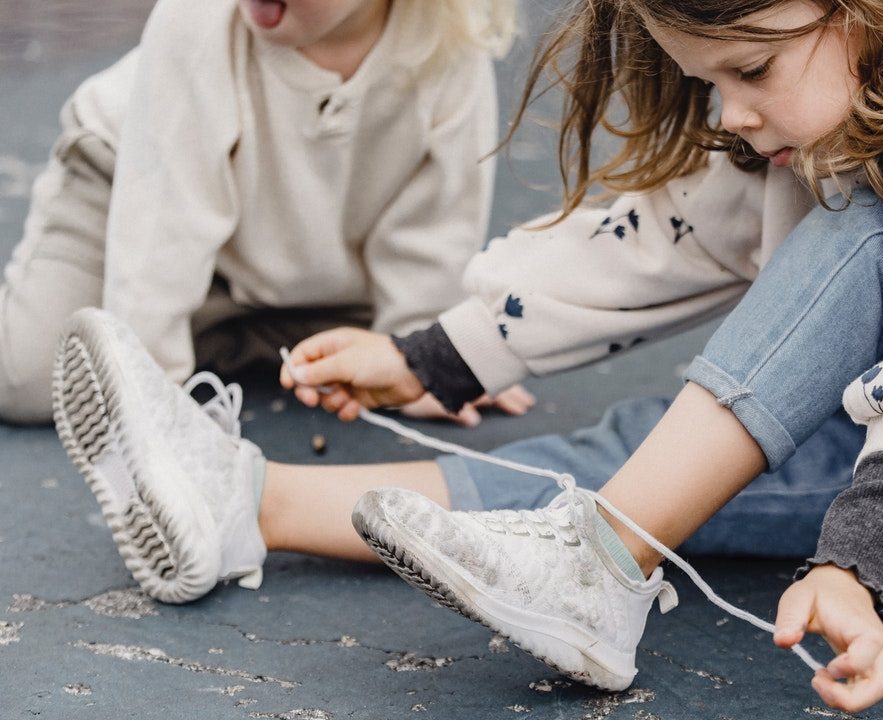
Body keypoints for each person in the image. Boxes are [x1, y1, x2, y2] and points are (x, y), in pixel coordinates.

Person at [52, 0, 883, 713]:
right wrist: (436, 357)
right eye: (708, 81)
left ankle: (603, 565)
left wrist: (864, 556)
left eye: (749, 71)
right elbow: (662, 238)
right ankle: (242, 503)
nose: (732, 110)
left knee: (865, 242)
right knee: (664, 450)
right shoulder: (844, 107)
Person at [0, 0, 533, 427]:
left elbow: (436, 221)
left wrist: (419, 360)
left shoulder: (446, 42)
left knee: (359, 355)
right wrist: (151, 396)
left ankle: (227, 322)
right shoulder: (198, 21)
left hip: (308, 252)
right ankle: (212, 325)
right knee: (32, 377)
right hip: (124, 191)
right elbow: (161, 232)